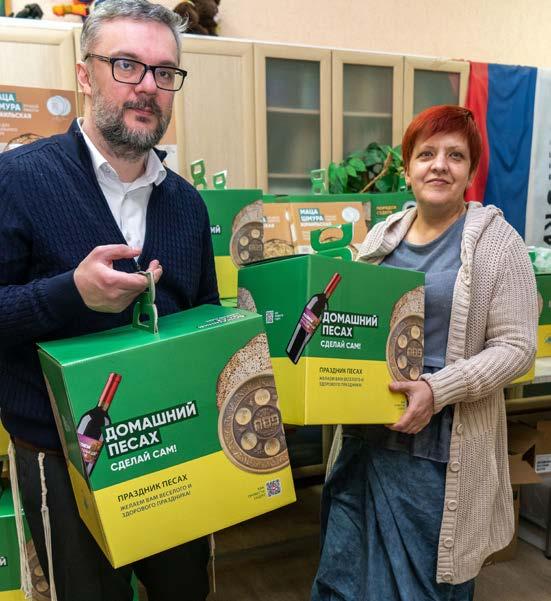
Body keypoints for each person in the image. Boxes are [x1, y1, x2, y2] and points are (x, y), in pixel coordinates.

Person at [0, 1, 218, 599]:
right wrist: (70, 293)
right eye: (126, 65)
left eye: (164, 72)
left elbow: (203, 317)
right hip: (63, 461)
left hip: (173, 449)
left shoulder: (187, 204)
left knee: (185, 592)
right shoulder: (17, 180)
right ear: (84, 75)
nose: (147, 86)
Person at [311, 105, 538, 601]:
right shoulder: (383, 236)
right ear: (408, 167)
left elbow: (518, 348)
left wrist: (437, 390)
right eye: (427, 154)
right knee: (343, 579)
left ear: (471, 172)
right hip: (365, 441)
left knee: (422, 587)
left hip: (437, 455)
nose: (440, 165)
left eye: (455, 156)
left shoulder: (498, 244)